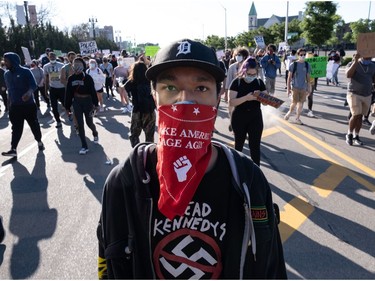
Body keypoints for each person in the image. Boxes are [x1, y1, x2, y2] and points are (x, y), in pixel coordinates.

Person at [97, 39, 287, 279]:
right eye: (171, 88)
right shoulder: (125, 181)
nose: (185, 101)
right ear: (155, 97)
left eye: (201, 88)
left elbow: (271, 267)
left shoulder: (248, 181)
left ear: (218, 99)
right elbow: (108, 266)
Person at [1, 52, 45, 157]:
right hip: (15, 107)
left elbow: (34, 85)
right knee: (16, 128)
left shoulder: (26, 71)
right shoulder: (6, 74)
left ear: (13, 61)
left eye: (6, 61)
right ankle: (13, 149)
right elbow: (9, 91)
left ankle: (39, 141)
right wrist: (8, 105)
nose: (4, 63)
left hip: (28, 105)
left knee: (34, 125)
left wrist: (29, 93)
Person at [229, 57, 266, 166]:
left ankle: (256, 171)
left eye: (254, 74)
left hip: (255, 117)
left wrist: (262, 96)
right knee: (239, 145)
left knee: (255, 146)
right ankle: (238, 170)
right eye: (249, 74)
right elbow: (231, 102)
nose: (252, 77)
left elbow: (266, 102)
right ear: (244, 71)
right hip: (239, 117)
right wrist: (246, 98)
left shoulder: (259, 82)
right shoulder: (236, 82)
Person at [65, 58, 99, 155]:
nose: (76, 67)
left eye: (78, 65)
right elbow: (68, 93)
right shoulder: (71, 78)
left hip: (87, 102)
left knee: (89, 123)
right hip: (77, 102)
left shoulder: (87, 78)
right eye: (74, 65)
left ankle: (95, 132)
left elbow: (93, 92)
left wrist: (96, 105)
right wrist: (67, 108)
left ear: (83, 66)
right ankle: (84, 146)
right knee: (80, 124)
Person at [123, 61, 156, 147]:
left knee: (134, 135)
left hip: (137, 111)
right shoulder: (151, 81)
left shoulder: (132, 81)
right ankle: (149, 155)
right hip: (150, 111)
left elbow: (124, 88)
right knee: (149, 136)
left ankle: (136, 152)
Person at [345, 53, 375, 146]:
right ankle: (349, 134)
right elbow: (348, 74)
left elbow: (373, 79)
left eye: (370, 57)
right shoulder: (352, 63)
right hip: (354, 93)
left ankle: (356, 135)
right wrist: (355, 62)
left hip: (367, 94)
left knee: (360, 116)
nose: (368, 58)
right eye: (367, 56)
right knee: (355, 114)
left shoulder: (372, 65)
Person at [285, 48, 311, 125]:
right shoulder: (294, 64)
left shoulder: (307, 65)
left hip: (303, 88)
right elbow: (289, 78)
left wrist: (309, 88)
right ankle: (289, 112)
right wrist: (288, 89)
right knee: (294, 103)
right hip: (295, 87)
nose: (303, 56)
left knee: (301, 104)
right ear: (298, 55)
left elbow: (308, 77)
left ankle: (297, 118)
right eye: (301, 55)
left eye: (304, 54)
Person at [43, 52, 66, 128]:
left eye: (53, 56)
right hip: (53, 89)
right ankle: (58, 121)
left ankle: (69, 114)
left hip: (62, 88)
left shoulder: (62, 65)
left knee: (66, 104)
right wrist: (46, 90)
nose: (52, 58)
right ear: (48, 57)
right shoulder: (46, 66)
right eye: (50, 56)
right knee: (54, 107)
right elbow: (46, 79)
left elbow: (66, 77)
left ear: (56, 57)